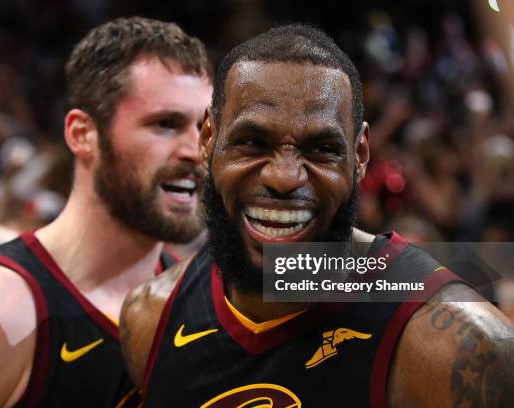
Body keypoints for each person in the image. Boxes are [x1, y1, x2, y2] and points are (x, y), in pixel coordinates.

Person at [120, 25, 514, 407]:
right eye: (252, 142)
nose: (284, 177)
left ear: (359, 156)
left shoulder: (456, 349)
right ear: (208, 139)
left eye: (321, 149)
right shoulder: (150, 317)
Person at [0, 17, 212, 407]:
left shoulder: (203, 293)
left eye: (205, 129)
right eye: (165, 124)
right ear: (82, 134)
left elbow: (320, 275)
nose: (196, 152)